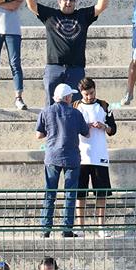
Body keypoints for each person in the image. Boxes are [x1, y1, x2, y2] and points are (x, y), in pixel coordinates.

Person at [24, 0, 109, 106]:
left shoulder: (82, 15)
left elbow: (100, 7)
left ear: (75, 2)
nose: (68, 2)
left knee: (75, 106)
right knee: (51, 105)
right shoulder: (50, 15)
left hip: (76, 68)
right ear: (59, 2)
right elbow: (32, 5)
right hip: (54, 67)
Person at [36, 83, 89, 237]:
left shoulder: (46, 111)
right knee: (70, 194)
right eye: (71, 96)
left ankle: (45, 229)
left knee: (50, 193)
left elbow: (38, 135)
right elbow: (86, 133)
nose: (72, 98)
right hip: (72, 158)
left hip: (52, 156)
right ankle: (67, 229)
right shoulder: (76, 113)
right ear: (66, 97)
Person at [73, 78, 116, 235]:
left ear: (95, 90)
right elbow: (70, 129)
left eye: (91, 93)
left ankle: (101, 227)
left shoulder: (104, 105)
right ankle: (80, 227)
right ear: (81, 93)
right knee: (80, 193)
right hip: (81, 156)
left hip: (100, 156)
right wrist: (84, 127)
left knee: (101, 193)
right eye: (86, 94)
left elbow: (113, 129)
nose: (89, 97)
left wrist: (104, 126)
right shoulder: (75, 106)